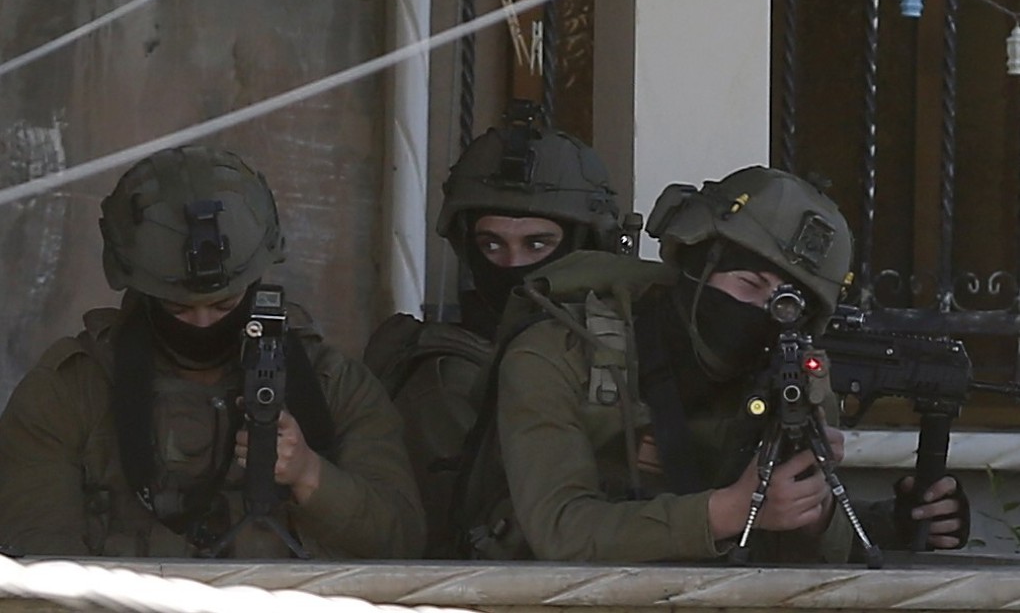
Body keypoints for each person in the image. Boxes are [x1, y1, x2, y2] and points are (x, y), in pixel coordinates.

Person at [493, 165, 968, 563]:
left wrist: (819, 511)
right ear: (698, 266)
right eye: (749, 284)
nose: (764, 313)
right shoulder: (557, 352)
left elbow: (811, 567)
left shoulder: (793, 373)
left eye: (787, 305)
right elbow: (559, 531)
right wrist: (732, 511)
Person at [0, 145, 426, 559]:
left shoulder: (332, 386)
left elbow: (403, 542)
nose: (204, 323)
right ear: (143, 291)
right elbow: (36, 560)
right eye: (178, 308)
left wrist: (309, 475)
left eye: (224, 305)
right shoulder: (71, 390)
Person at [362, 100, 627, 558]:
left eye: (537, 244)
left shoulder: (622, 349)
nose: (512, 264)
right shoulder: (438, 372)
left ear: (582, 244)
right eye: (492, 244)